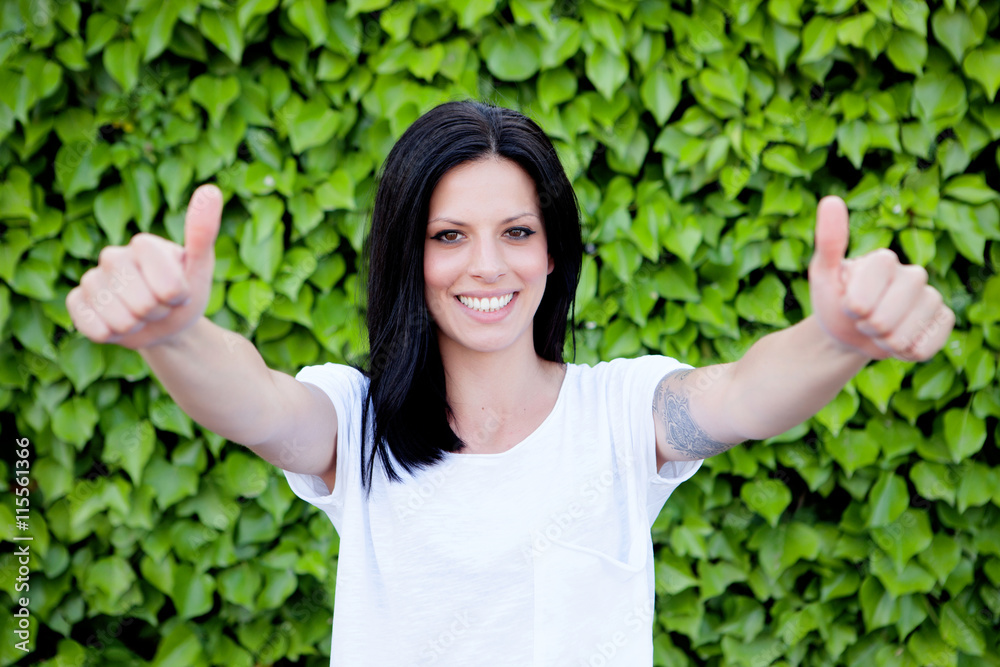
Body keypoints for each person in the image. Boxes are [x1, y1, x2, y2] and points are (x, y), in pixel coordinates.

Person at [66, 101, 954, 666]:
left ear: (553, 248)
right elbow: (252, 398)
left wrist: (837, 339)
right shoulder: (354, 422)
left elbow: (746, 395)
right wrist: (175, 335)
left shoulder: (620, 411)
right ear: (407, 255)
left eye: (516, 232)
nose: (486, 265)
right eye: (449, 234)